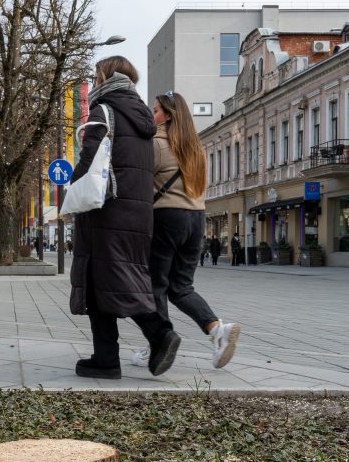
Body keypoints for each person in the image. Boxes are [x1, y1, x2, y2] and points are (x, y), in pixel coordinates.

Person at [69, 56, 181, 380]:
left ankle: (159, 334)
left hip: (106, 212)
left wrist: (71, 192)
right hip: (138, 214)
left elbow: (90, 162)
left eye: (96, 74)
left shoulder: (103, 111)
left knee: (102, 280)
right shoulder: (144, 118)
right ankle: (106, 359)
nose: (94, 78)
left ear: (105, 76)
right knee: (113, 281)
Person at [131, 91, 241, 370]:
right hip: (196, 218)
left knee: (155, 285)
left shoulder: (155, 143)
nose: (151, 115)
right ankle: (218, 330)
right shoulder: (196, 148)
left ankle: (159, 342)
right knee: (180, 286)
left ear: (168, 115)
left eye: (155, 110)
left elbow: (138, 182)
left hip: (167, 217)